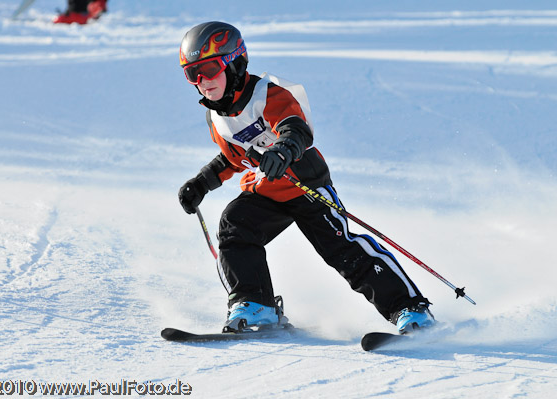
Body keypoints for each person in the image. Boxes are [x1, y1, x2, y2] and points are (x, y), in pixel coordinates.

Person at [177, 21, 436, 334]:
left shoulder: (267, 94)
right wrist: (201, 183)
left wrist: (283, 151)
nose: (202, 81)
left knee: (342, 251)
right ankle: (256, 305)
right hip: (266, 193)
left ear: (234, 62)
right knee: (235, 224)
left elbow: (296, 128)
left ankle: (410, 310)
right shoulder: (216, 117)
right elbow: (232, 157)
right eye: (192, 74)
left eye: (208, 69)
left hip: (305, 185)